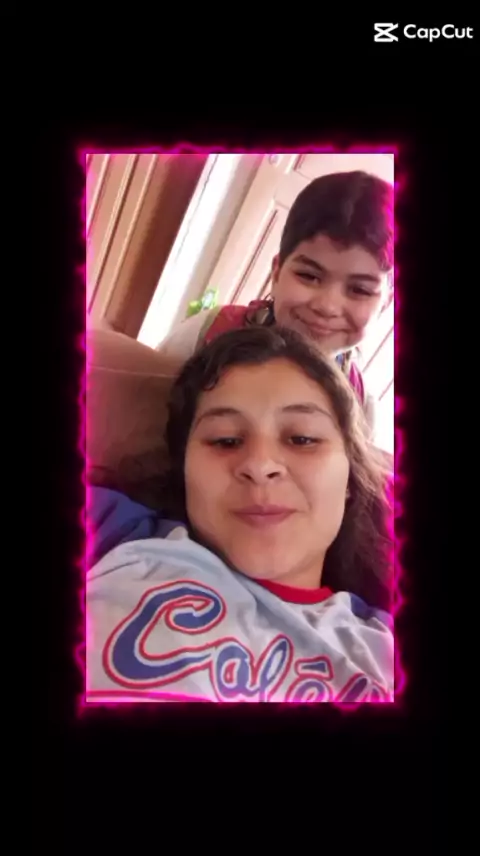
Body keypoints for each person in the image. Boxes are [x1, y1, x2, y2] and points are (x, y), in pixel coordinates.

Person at [86, 326, 394, 704]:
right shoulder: (118, 533)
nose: (260, 465)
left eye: (302, 439)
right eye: (226, 440)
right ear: (184, 469)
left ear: (349, 478)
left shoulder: (382, 652)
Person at [156, 170, 393, 437]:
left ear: (385, 304)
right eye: (309, 276)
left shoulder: (361, 411)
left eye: (359, 290)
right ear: (277, 273)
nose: (327, 306)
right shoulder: (205, 333)